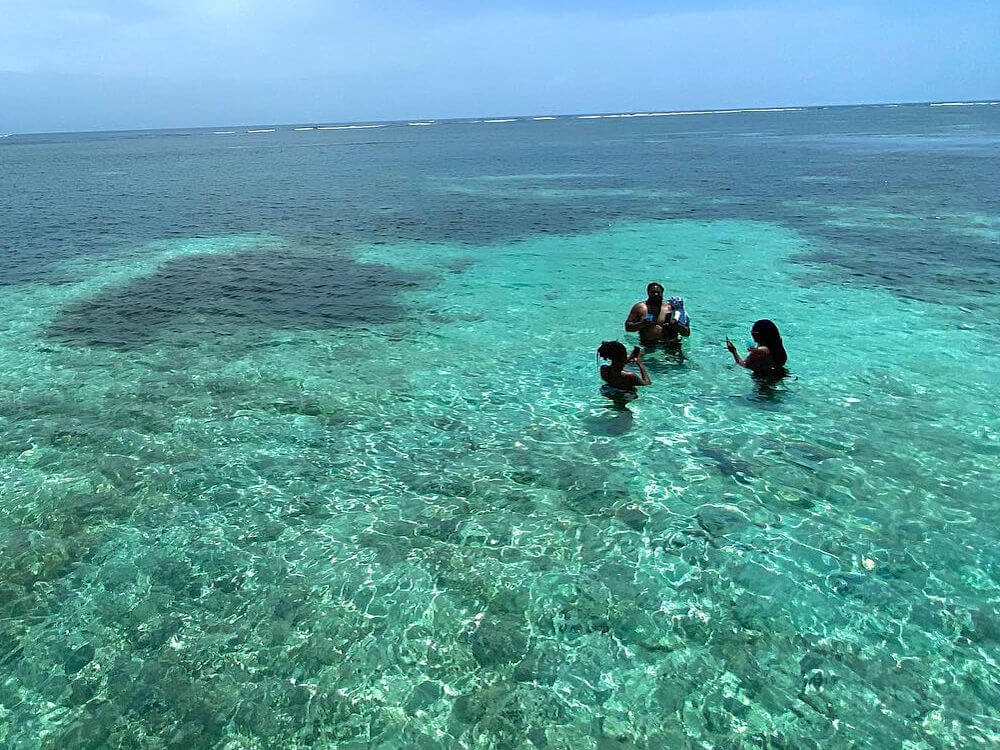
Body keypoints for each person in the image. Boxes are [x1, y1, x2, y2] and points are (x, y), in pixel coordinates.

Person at [625, 282, 691, 346]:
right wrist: (642, 324)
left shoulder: (672, 307)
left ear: (662, 293)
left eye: (658, 292)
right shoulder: (640, 307)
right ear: (648, 292)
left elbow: (687, 333)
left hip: (670, 343)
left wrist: (677, 326)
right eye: (653, 292)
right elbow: (627, 327)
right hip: (648, 344)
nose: (656, 294)